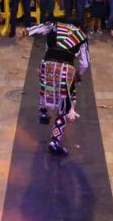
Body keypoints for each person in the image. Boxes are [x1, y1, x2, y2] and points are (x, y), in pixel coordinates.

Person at [16, 20, 89, 155]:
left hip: (47, 64)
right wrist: (77, 75)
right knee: (64, 104)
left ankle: (43, 111)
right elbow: (85, 63)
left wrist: (25, 32)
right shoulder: (81, 36)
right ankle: (55, 141)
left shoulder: (55, 25)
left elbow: (40, 28)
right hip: (65, 69)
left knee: (45, 84)